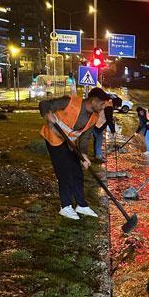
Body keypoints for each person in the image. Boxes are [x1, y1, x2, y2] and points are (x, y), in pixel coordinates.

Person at [39, 87, 111, 220]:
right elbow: (44, 104)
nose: (103, 107)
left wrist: (83, 155)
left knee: (77, 172)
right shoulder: (69, 102)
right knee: (64, 172)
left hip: (69, 142)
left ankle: (81, 205)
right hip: (54, 138)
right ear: (93, 101)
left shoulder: (94, 117)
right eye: (102, 104)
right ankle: (65, 206)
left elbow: (85, 137)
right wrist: (47, 114)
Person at [92, 95, 118, 163]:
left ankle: (96, 154)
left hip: (94, 123)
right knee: (99, 140)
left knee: (97, 139)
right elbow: (109, 120)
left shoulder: (106, 103)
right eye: (117, 106)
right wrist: (113, 131)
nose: (117, 107)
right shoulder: (109, 107)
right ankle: (98, 156)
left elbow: (108, 117)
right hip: (97, 125)